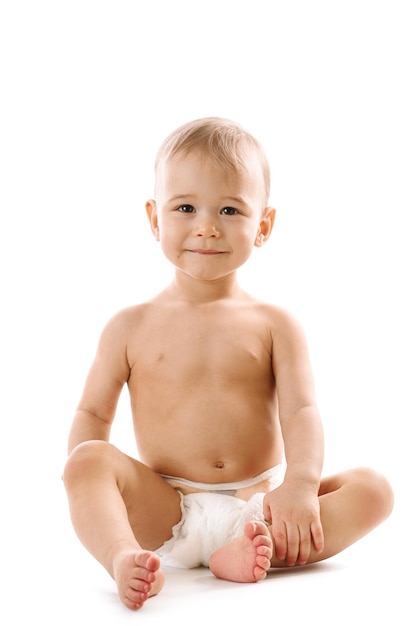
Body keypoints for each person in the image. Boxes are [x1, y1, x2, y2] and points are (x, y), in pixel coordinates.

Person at [63, 117, 394, 611]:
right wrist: (89, 486)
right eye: (186, 207)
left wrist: (300, 488)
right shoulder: (128, 326)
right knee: (86, 459)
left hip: (259, 509)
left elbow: (301, 411)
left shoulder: (274, 323)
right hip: (165, 510)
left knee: (374, 489)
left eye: (230, 209)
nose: (206, 225)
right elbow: (92, 416)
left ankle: (244, 552)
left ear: (263, 225)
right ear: (155, 218)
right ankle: (124, 557)